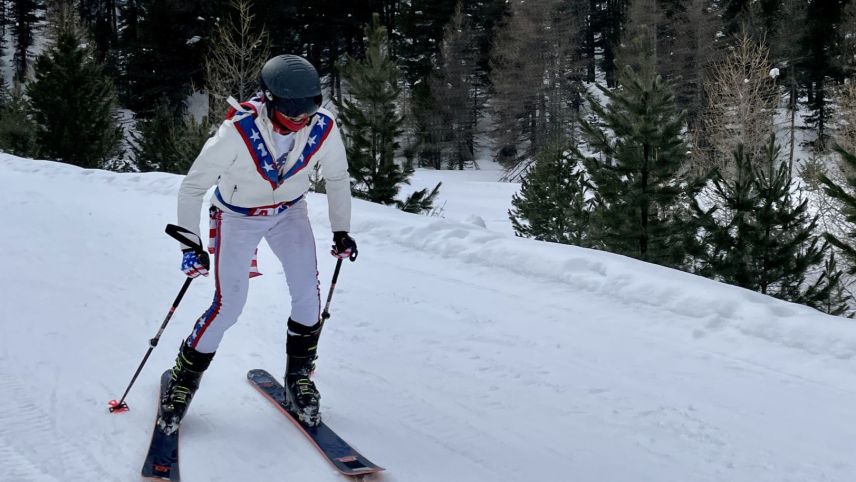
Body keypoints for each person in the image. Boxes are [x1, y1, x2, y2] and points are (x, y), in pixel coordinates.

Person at [157, 54, 357, 434]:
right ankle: (183, 381)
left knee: (308, 297)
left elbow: (338, 177)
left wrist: (341, 230)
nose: (301, 117)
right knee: (228, 305)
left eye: (309, 106)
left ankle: (298, 379)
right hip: (237, 216)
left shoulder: (323, 127)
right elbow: (193, 186)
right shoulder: (237, 132)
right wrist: (189, 245)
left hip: (288, 212)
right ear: (269, 99)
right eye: (292, 108)